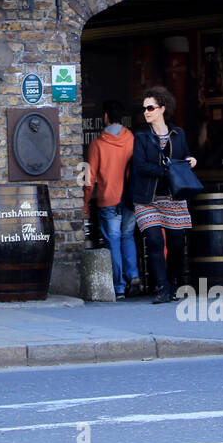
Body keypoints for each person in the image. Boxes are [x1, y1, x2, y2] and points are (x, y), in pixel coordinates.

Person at [129, 86, 197, 303]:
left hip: (173, 197)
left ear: (162, 109)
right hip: (147, 198)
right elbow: (140, 166)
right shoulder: (140, 137)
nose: (146, 112)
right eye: (144, 108)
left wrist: (190, 161)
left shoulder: (178, 134)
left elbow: (184, 156)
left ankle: (172, 282)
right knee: (155, 241)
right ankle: (162, 287)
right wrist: (167, 170)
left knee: (177, 243)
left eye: (150, 107)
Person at [84, 99, 139, 299]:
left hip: (109, 198)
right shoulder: (132, 139)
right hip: (130, 198)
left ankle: (120, 287)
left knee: (113, 241)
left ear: (105, 117)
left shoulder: (98, 145)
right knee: (128, 236)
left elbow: (89, 179)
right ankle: (133, 274)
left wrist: (85, 203)